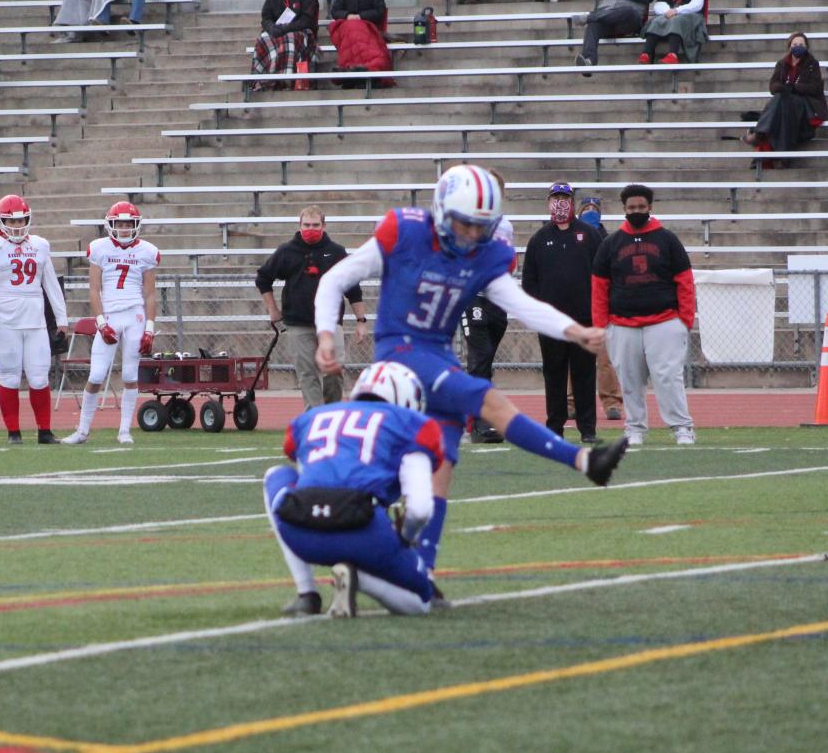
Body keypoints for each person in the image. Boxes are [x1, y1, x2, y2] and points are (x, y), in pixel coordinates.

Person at [314, 165, 629, 584]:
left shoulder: (486, 251)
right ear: (442, 210)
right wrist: (325, 335)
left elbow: (519, 303)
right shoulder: (403, 231)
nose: (471, 234)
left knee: (441, 470)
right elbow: (335, 279)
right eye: (464, 223)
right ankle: (583, 460)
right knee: (487, 399)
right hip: (399, 353)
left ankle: (419, 573)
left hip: (439, 354)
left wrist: (573, 330)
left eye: (480, 226)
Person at [264, 362, 444, 618]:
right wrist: (404, 538)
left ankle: (307, 593)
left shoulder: (311, 418)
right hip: (364, 531)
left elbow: (305, 468)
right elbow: (420, 509)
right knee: (422, 601)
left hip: (301, 529)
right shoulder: (410, 424)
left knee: (275, 475)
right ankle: (359, 577)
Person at [592, 184, 696, 447]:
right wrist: (601, 325)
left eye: (640, 207)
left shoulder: (668, 239)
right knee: (629, 380)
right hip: (622, 324)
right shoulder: (611, 244)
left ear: (650, 207)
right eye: (631, 208)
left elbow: (684, 281)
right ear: (624, 209)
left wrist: (685, 320)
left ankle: (682, 427)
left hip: (664, 321)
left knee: (668, 377)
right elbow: (599, 286)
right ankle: (635, 427)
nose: (635, 211)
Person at [0, 196, 69, 444]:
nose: (17, 225)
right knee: (10, 377)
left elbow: (51, 284)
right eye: (11, 220)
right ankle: (13, 433)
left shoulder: (40, 245)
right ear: (1, 220)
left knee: (39, 377)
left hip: (35, 321)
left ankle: (44, 431)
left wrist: (62, 318)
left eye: (21, 220)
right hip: (3, 322)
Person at [63, 202, 159, 445]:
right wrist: (101, 322)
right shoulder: (99, 248)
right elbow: (94, 290)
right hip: (111, 316)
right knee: (96, 375)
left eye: (129, 224)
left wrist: (150, 328)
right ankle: (83, 431)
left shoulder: (147, 251)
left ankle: (124, 431)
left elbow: (150, 294)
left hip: (135, 315)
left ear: (136, 225)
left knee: (129, 373)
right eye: (120, 224)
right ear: (111, 225)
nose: (125, 229)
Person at [254, 207, 367, 412]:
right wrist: (273, 309)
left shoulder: (336, 252)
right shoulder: (287, 251)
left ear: (323, 226)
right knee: (308, 374)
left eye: (315, 225)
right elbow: (263, 278)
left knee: (334, 370)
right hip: (299, 323)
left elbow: (352, 287)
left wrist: (361, 320)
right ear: (300, 225)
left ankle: (332, 412)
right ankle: (315, 417)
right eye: (307, 225)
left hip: (331, 323)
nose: (311, 229)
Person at [522, 183, 602, 443]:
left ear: (572, 201)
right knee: (554, 375)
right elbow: (529, 281)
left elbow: (602, 275)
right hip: (551, 324)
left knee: (584, 375)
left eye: (565, 198)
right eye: (556, 198)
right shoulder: (539, 239)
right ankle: (554, 428)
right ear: (548, 201)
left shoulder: (590, 235)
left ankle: (587, 429)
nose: (560, 202)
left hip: (583, 320)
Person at [462, 216, 514, 445]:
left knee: (485, 362)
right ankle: (478, 422)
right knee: (479, 358)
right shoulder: (466, 221)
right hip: (473, 296)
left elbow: (509, 262)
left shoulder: (505, 225)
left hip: (497, 299)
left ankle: (478, 415)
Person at [577, 195, 622, 422]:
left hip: (602, 307)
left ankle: (612, 402)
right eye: (586, 208)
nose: (590, 212)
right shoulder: (568, 238)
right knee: (573, 358)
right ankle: (570, 402)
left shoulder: (610, 241)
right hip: (575, 304)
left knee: (606, 359)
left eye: (594, 208)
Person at [745, 32, 827, 155]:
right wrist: (783, 88)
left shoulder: (812, 64)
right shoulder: (782, 63)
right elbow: (773, 87)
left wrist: (794, 88)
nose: (798, 46)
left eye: (801, 44)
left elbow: (816, 88)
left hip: (805, 102)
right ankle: (781, 157)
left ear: (806, 47)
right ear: (790, 46)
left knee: (782, 101)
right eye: (795, 44)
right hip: (786, 101)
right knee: (780, 100)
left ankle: (760, 133)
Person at [575, 0, 653, 72]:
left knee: (626, 10)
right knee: (593, 26)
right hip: (609, 20)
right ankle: (589, 61)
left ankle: (590, 16)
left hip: (631, 20)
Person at [250, 0, 319, 92]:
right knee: (263, 38)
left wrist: (286, 28)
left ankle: (286, 79)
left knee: (290, 39)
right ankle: (265, 80)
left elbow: (307, 20)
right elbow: (266, 17)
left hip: (299, 31)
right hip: (277, 31)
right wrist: (271, 28)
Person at [327, 0, 392, 83]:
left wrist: (360, 16)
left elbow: (379, 11)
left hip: (368, 25)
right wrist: (347, 15)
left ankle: (362, 67)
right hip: (347, 25)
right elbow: (335, 11)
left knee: (357, 33)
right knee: (350, 29)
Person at [639, 0, 708, 64]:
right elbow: (659, 4)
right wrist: (668, 11)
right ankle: (646, 54)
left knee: (676, 21)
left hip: (692, 15)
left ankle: (673, 54)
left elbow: (697, 4)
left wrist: (677, 10)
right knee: (656, 21)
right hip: (671, 13)